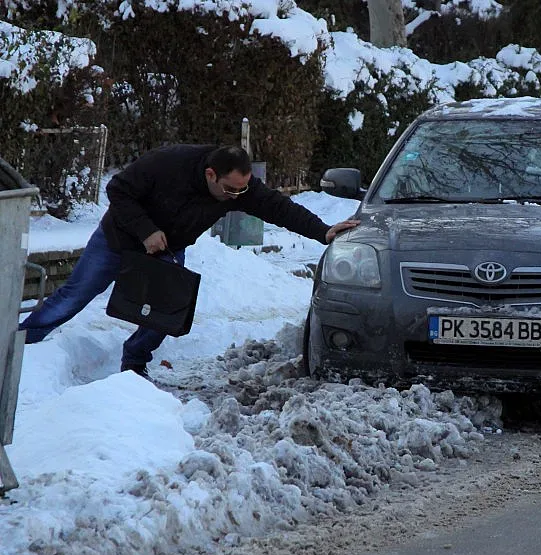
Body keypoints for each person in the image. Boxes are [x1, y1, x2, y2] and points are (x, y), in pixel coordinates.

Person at [19, 144, 360, 379]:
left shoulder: (238, 187)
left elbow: (279, 208)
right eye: (231, 189)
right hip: (118, 240)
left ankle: (134, 362)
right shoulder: (167, 164)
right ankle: (21, 347)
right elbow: (118, 191)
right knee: (77, 294)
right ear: (211, 174)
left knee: (167, 310)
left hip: (168, 249)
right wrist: (146, 230)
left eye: (243, 189)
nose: (237, 197)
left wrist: (322, 231)